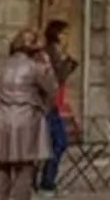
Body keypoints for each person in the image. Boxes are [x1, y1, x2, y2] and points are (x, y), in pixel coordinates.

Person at [0, 28, 56, 200]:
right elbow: (51, 90)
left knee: (0, 166)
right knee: (25, 168)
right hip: (27, 118)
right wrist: (47, 66)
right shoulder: (37, 68)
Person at [36, 19, 79, 193]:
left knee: (57, 142)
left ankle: (48, 180)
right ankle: (45, 182)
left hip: (53, 106)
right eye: (65, 33)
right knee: (56, 142)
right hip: (46, 106)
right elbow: (55, 79)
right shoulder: (48, 54)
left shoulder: (57, 53)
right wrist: (67, 62)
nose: (68, 37)